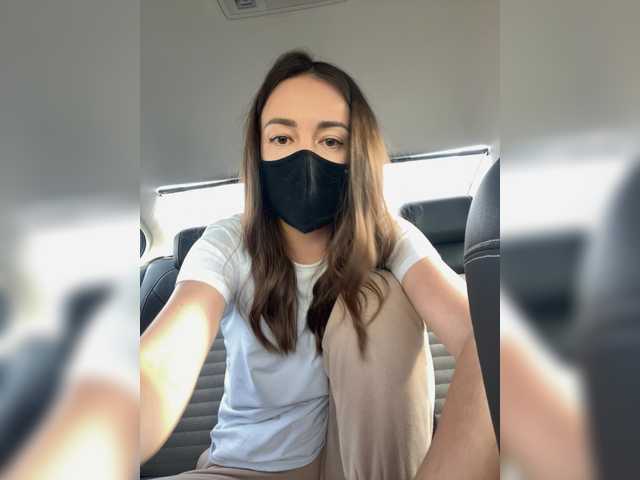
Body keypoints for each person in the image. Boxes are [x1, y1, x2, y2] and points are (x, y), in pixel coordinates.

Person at [140, 50, 497, 480]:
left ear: (356, 155)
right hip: (242, 467)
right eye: (282, 139)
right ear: (258, 153)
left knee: (377, 299)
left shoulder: (389, 235)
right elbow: (163, 364)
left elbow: (489, 336)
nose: (304, 158)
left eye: (331, 141)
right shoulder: (229, 242)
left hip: (357, 466)